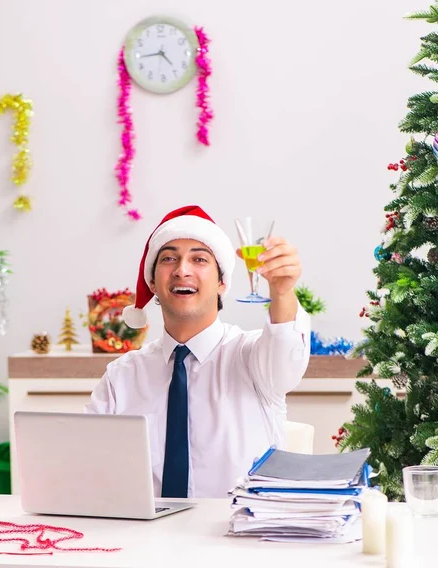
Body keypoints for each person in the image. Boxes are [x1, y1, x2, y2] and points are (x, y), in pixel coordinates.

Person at [85, 205, 311, 498]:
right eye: (168, 258)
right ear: (152, 283)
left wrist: (282, 293)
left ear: (221, 282)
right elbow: (86, 464)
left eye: (199, 259)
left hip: (240, 535)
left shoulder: (253, 357)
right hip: (143, 537)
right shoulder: (122, 377)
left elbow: (286, 355)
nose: (182, 270)